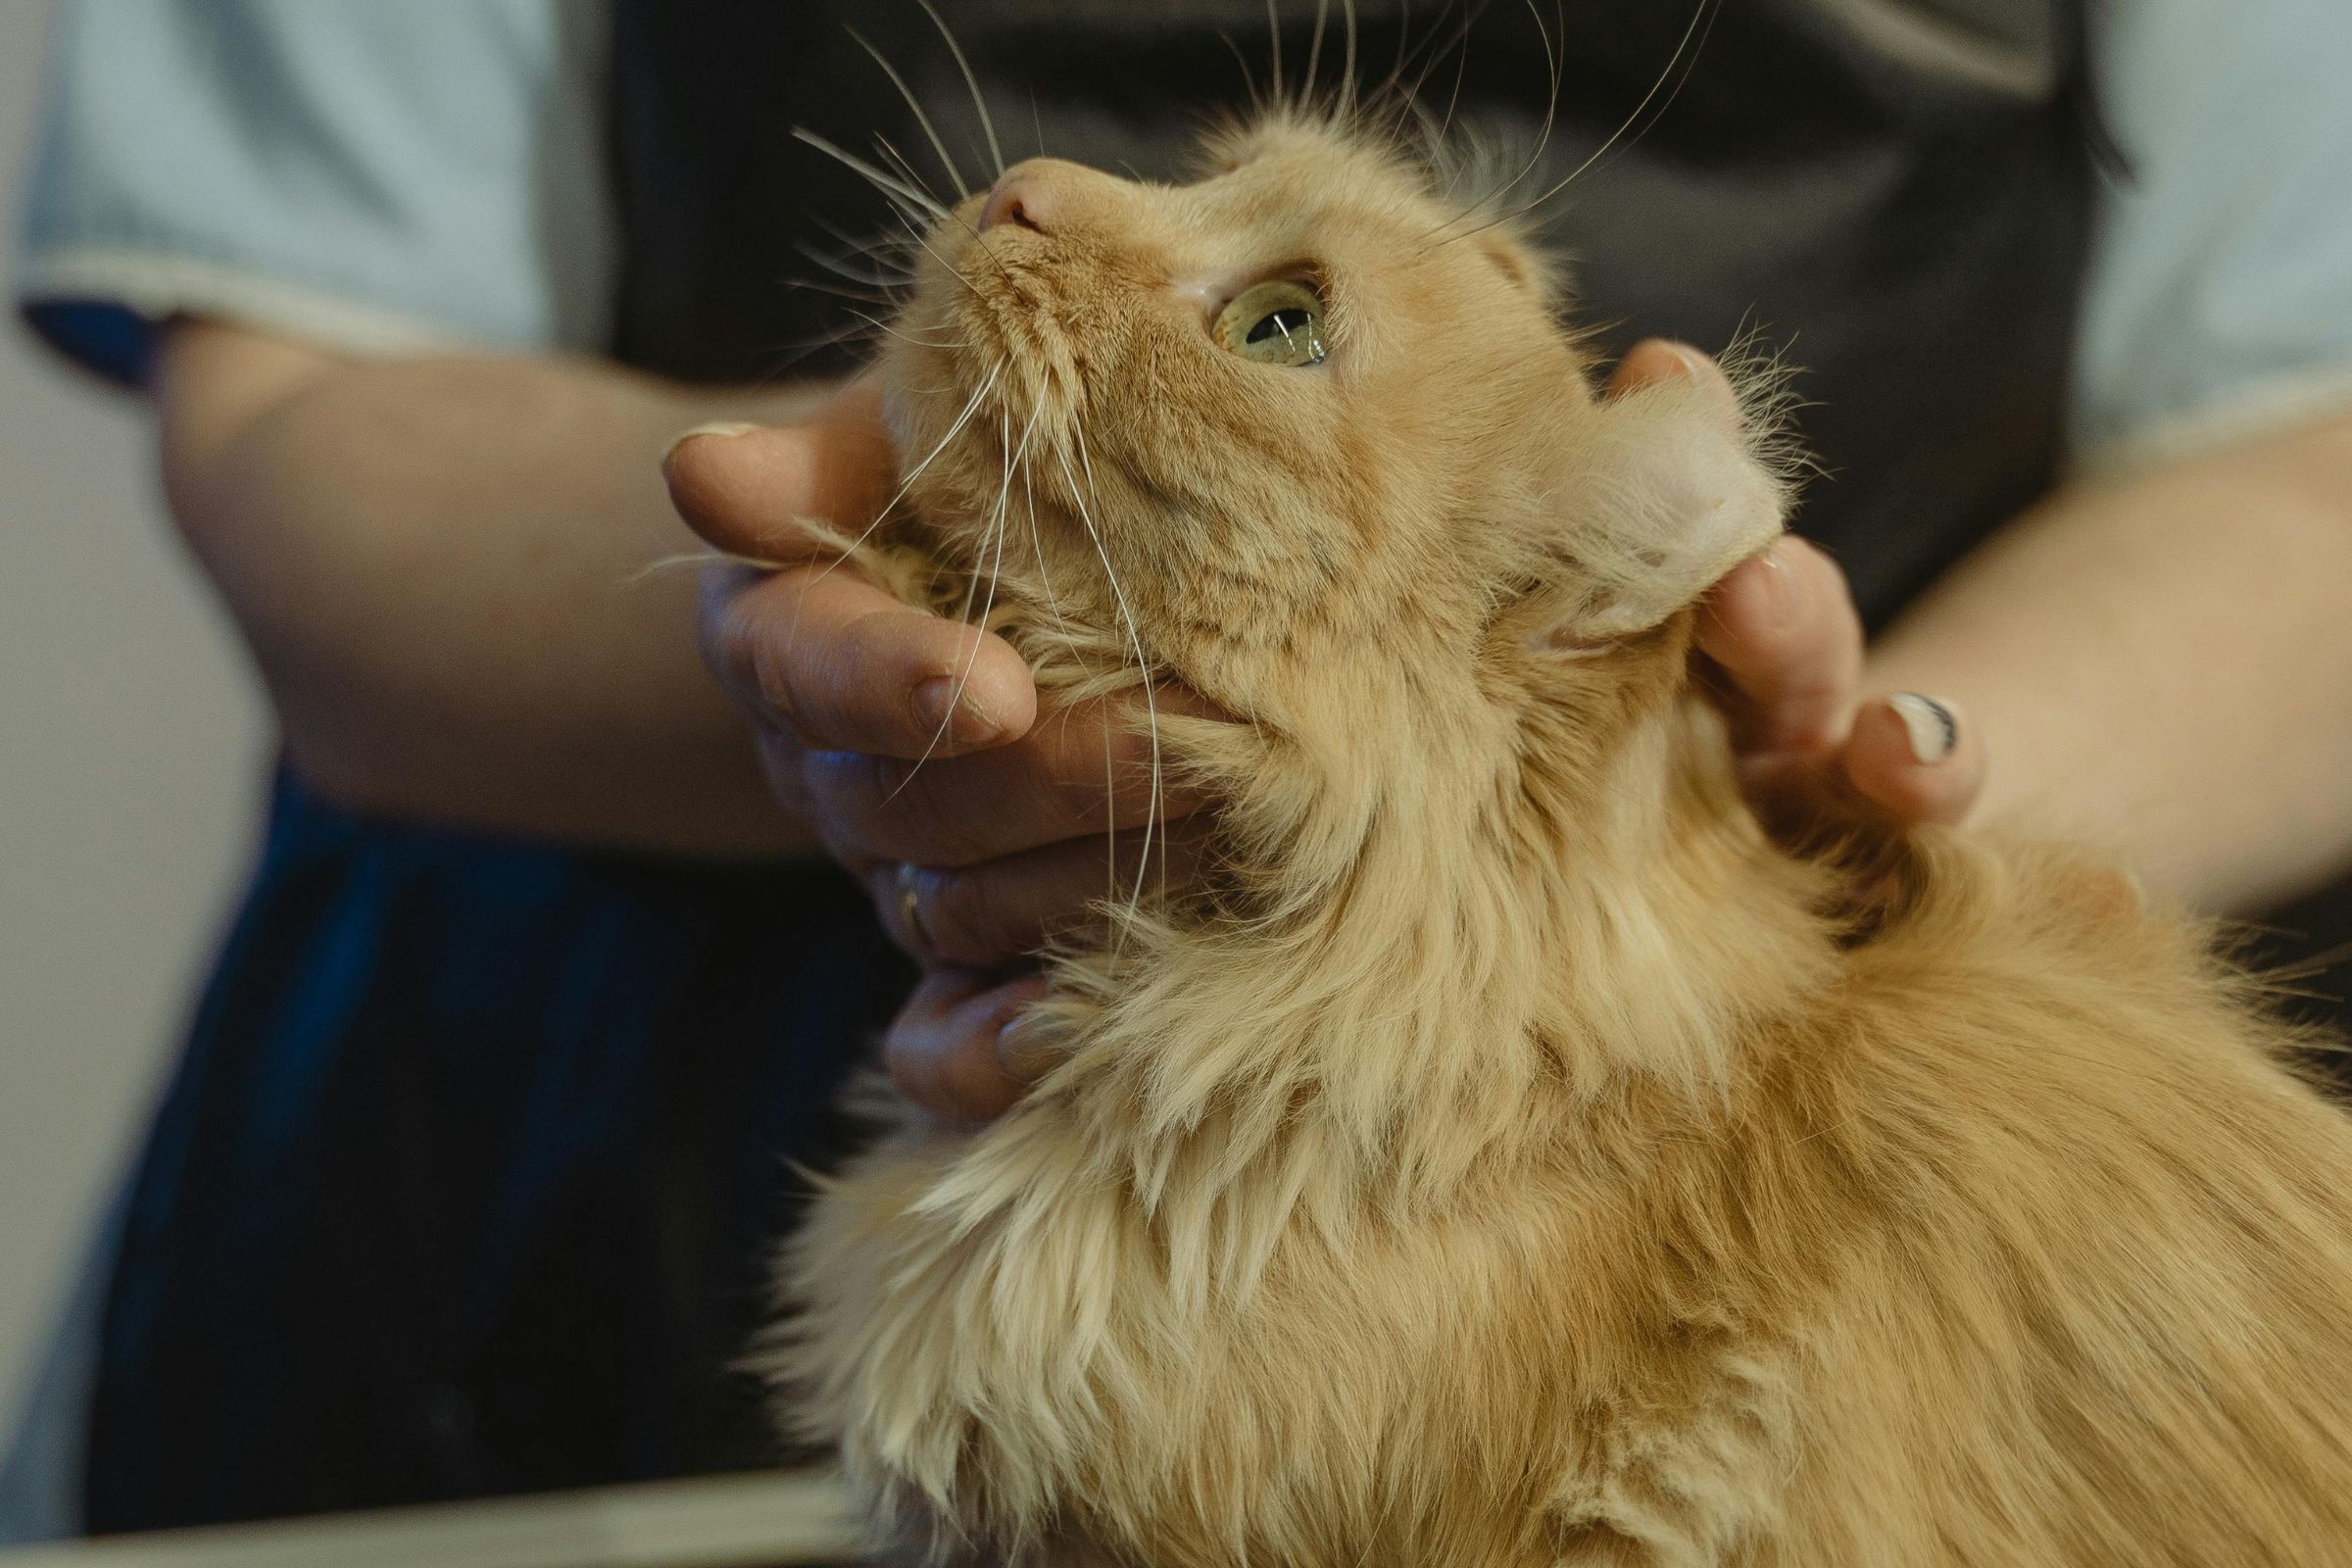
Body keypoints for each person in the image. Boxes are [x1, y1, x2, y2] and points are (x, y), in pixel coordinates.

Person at [7, 0, 2351, 1541]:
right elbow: (302, 396)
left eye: (1269, 306)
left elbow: (2317, 456)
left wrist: (1844, 777)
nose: (1038, 193)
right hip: (545, 1155)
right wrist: (827, 606)